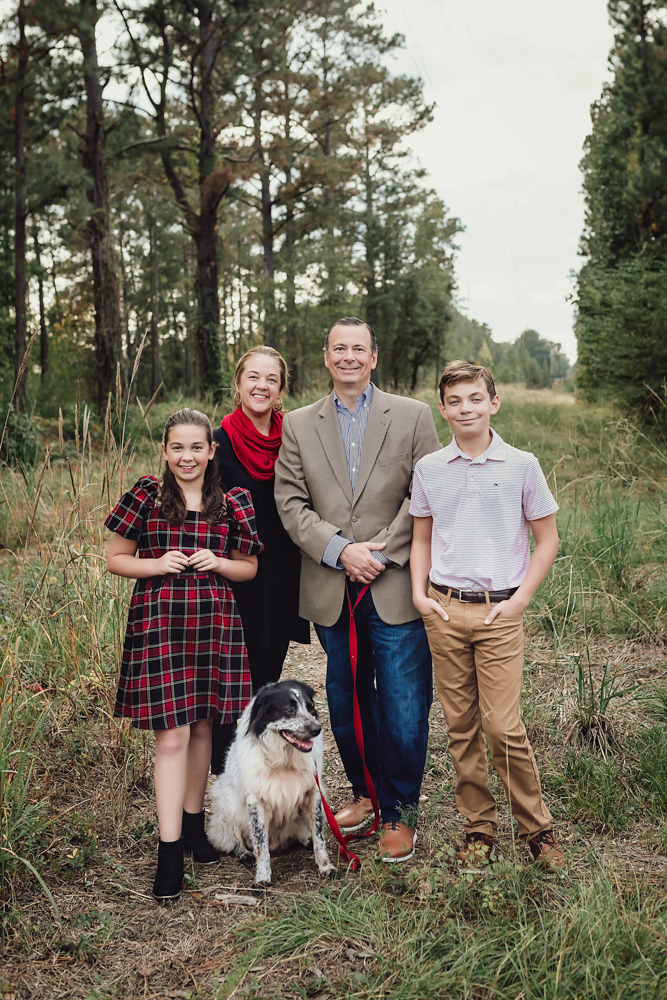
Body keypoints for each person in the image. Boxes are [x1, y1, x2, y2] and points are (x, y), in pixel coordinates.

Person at [274, 317, 440, 863]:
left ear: (374, 358)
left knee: (402, 699)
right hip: (331, 583)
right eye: (338, 348)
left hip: (392, 583)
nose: (348, 356)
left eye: (358, 348)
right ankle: (367, 795)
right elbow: (291, 503)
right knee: (345, 702)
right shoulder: (298, 425)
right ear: (326, 358)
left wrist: (377, 553)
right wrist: (341, 551)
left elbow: (425, 494)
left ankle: (401, 811)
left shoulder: (413, 416)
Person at [409, 360, 565, 871]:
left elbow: (547, 539)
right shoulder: (431, 468)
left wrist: (519, 600)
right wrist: (419, 594)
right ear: (443, 409)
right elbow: (422, 538)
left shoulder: (522, 464)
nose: (465, 409)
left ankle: (536, 830)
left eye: (475, 398)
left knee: (502, 726)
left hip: (500, 611)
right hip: (446, 609)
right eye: (454, 402)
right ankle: (478, 827)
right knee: (461, 726)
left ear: (493, 402)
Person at [105, 408, 261, 900]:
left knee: (201, 726)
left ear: (212, 451)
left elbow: (249, 568)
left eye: (197, 447)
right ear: (165, 450)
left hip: (213, 626)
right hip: (161, 625)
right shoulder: (148, 495)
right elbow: (114, 558)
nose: (187, 457)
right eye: (178, 447)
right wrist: (154, 564)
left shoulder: (232, 502)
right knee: (170, 736)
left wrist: (218, 561)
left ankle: (194, 826)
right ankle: (169, 850)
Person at [210, 346, 310, 773]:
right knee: (230, 684)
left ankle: (262, 778)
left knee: (267, 683)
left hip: (284, 574)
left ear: (281, 388)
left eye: (271, 379)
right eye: (253, 376)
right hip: (237, 578)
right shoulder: (218, 440)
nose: (261, 386)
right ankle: (221, 780)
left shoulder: (295, 436)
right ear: (238, 383)